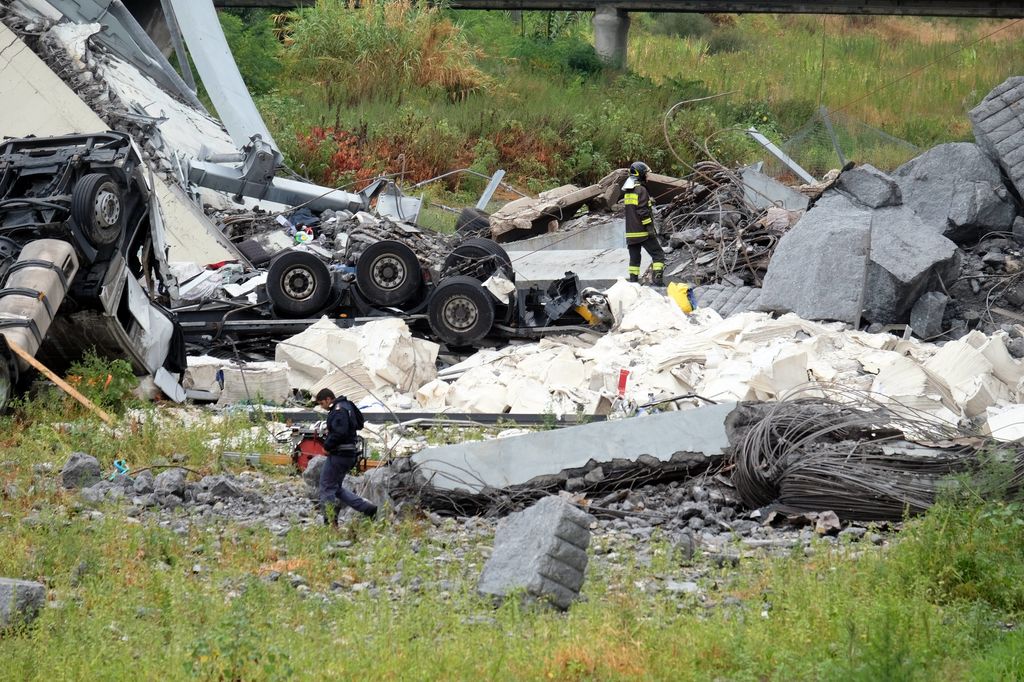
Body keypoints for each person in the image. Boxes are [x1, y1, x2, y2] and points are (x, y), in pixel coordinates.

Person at [315, 388, 377, 526]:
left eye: (322, 403)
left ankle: (330, 523)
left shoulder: (338, 410)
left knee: (326, 487)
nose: (322, 407)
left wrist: (327, 446)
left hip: (339, 454)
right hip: (349, 454)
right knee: (336, 488)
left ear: (328, 399)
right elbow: (359, 423)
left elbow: (339, 433)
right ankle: (366, 508)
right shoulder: (348, 405)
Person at [622, 161, 666, 285]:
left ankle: (633, 284)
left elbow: (634, 209)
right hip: (642, 232)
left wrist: (649, 202)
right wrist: (649, 228)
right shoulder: (641, 189)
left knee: (634, 261)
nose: (647, 176)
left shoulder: (628, 191)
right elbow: (642, 211)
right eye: (646, 174)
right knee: (658, 255)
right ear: (640, 174)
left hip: (631, 233)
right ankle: (658, 282)